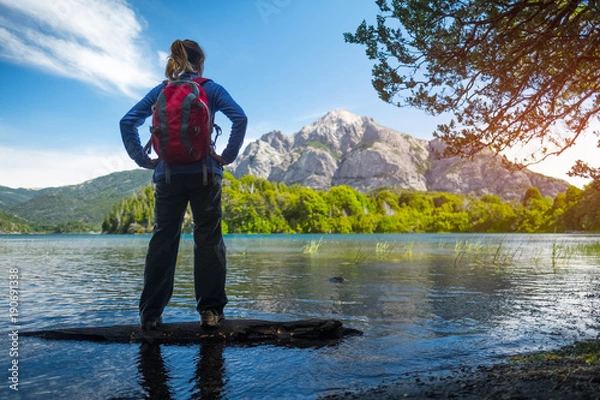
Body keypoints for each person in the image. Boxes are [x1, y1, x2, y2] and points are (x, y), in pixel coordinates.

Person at [120, 39, 247, 330]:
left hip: (167, 175)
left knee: (163, 241)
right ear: (200, 62)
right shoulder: (211, 88)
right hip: (205, 175)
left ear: (175, 61)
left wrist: (143, 158)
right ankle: (211, 313)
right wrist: (225, 156)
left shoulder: (161, 90)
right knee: (209, 240)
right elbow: (240, 118)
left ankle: (150, 314)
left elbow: (127, 122)